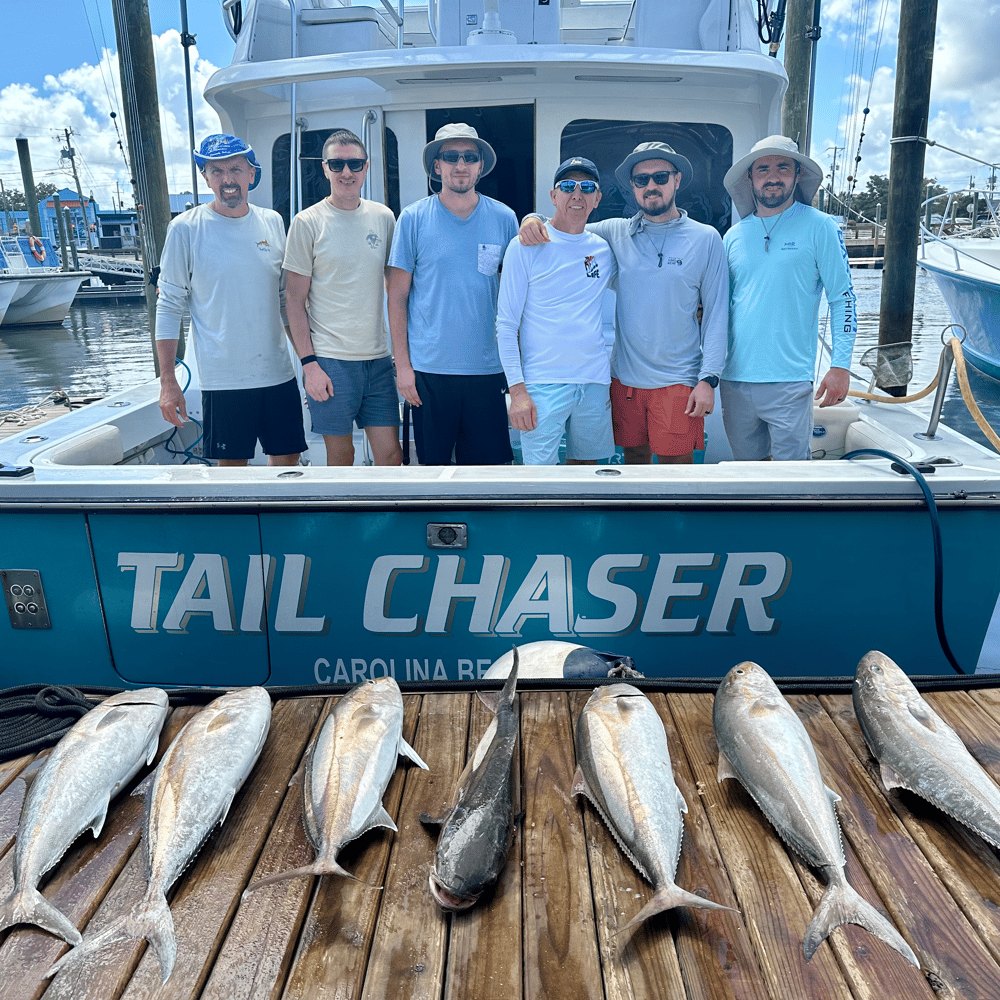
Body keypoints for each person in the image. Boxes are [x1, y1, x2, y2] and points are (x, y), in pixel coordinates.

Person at [519, 141, 727, 464]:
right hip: (624, 382)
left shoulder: (707, 238)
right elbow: (568, 224)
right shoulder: (615, 232)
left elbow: (716, 315)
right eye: (641, 180)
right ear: (632, 187)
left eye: (660, 176)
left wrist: (708, 380)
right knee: (634, 470)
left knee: (676, 479)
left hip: (679, 384)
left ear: (677, 180)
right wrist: (532, 218)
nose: (651, 186)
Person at [156, 133, 305, 467]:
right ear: (206, 177)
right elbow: (168, 307)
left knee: (288, 465)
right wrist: (169, 383)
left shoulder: (273, 222)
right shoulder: (185, 229)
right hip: (223, 381)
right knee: (232, 475)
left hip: (279, 374)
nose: (228, 179)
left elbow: (286, 302)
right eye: (217, 171)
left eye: (236, 169)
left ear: (252, 173)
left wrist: (307, 362)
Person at [720, 135, 857, 461]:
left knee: (791, 479)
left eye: (783, 167)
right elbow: (719, 308)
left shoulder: (821, 226)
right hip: (734, 380)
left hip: (790, 381)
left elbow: (844, 298)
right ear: (750, 179)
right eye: (762, 169)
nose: (772, 176)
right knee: (746, 477)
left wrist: (841, 366)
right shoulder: (734, 235)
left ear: (797, 175)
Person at [387, 123, 517, 465]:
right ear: (437, 166)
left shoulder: (505, 219)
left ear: (480, 166)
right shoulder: (413, 218)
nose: (461, 164)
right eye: (451, 156)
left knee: (486, 476)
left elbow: (517, 299)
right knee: (433, 474)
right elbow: (396, 296)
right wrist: (403, 367)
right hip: (429, 371)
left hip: (487, 370)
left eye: (469, 157)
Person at [283, 129, 401, 466]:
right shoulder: (307, 222)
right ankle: (344, 520)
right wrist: (310, 366)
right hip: (330, 360)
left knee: (391, 454)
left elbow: (396, 288)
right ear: (325, 168)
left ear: (366, 168)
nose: (346, 172)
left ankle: (387, 519)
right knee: (341, 455)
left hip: (378, 359)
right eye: (337, 164)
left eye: (354, 164)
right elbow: (293, 301)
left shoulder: (383, 217)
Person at [496, 158, 617, 465]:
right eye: (567, 186)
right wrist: (518, 393)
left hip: (594, 381)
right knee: (540, 482)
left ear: (597, 198)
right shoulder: (523, 246)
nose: (577, 194)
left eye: (587, 187)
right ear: (553, 196)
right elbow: (507, 324)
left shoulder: (604, 248)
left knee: (589, 475)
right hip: (541, 384)